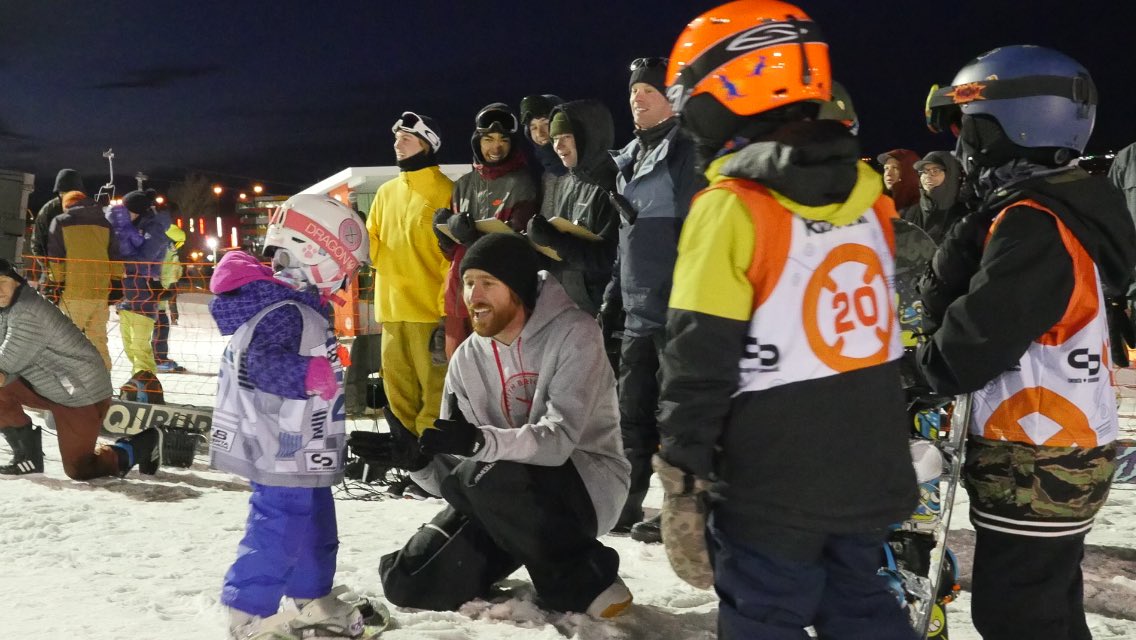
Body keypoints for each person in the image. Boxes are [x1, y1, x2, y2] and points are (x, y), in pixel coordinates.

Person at [655, 2, 919, 638]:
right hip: (869, 471)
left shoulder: (732, 208)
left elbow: (698, 355)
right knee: (862, 611)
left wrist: (682, 477)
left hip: (769, 484)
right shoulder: (868, 202)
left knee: (763, 617)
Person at [920, 44, 1136, 640]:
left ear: (1012, 127)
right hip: (1054, 448)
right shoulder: (1061, 208)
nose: (965, 145)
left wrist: (914, 371)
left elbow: (971, 345)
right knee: (1046, 612)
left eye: (971, 128)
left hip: (1038, 459)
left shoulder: (1036, 222)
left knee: (1017, 618)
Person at [376, 233, 632, 617]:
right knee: (408, 582)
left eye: (488, 283)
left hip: (587, 485)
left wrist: (480, 445)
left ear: (519, 288)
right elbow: (461, 475)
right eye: (467, 283)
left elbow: (558, 441)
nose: (473, 295)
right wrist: (420, 464)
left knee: (491, 472)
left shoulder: (576, 334)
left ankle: (588, 579)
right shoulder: (465, 360)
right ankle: (525, 553)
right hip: (498, 491)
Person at [210, 194, 373, 640]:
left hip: (305, 445)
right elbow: (259, 365)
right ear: (316, 252)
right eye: (348, 265)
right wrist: (308, 372)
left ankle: (310, 594)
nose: (351, 276)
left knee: (317, 522)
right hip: (279, 445)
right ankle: (248, 610)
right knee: (279, 525)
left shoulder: (300, 305)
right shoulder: (282, 310)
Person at [604, 56, 705, 542]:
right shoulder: (627, 157)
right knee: (631, 413)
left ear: (673, 99)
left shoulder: (687, 150)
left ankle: (680, 513)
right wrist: (613, 298)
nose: (636, 98)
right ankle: (626, 504)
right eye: (632, 92)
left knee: (677, 419)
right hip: (638, 311)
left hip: (676, 314)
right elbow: (628, 241)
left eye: (648, 90)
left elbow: (698, 236)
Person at [0, 259, 161, 478]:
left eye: (3, 281)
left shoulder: (27, 312)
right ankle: (27, 458)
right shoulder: (8, 307)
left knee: (80, 469)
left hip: (81, 394)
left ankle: (138, 446)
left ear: (16, 281)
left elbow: (6, 363)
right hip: (51, 384)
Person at [366, 111, 453, 498]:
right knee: (397, 395)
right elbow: (371, 249)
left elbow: (452, 258)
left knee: (433, 396)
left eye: (406, 138)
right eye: (397, 137)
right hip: (391, 313)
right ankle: (410, 467)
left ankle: (433, 473)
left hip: (429, 313)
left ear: (427, 143)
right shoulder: (386, 193)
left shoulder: (446, 191)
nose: (397, 144)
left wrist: (446, 311)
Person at [437, 103, 538, 356]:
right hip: (460, 297)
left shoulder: (521, 183)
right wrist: (446, 241)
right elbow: (451, 255)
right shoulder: (463, 185)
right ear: (477, 142)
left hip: (498, 297)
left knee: (499, 373)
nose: (496, 147)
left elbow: (519, 249)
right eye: (488, 139)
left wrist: (472, 240)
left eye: (503, 139)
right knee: (458, 377)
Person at [526, 99, 619, 316]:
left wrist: (556, 240)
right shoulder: (568, 181)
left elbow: (612, 258)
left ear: (589, 137)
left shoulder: (613, 184)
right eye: (555, 138)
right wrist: (537, 246)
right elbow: (561, 251)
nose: (558, 146)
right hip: (568, 305)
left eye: (567, 138)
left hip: (604, 309)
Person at [106, 189, 172, 403]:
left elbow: (144, 260)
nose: (125, 215)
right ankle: (139, 385)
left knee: (140, 348)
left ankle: (149, 391)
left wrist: (123, 260)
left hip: (145, 297)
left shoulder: (155, 230)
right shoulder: (128, 228)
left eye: (129, 212)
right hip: (126, 297)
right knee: (128, 347)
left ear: (139, 212)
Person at [46, 190, 118, 369]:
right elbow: (116, 256)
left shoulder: (61, 222)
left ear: (67, 205)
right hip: (100, 292)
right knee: (98, 340)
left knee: (64, 341)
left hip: (74, 291)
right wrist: (116, 282)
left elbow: (56, 257)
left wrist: (55, 283)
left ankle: (64, 388)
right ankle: (103, 384)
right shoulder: (105, 224)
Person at [30, 168, 84, 303]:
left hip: (79, 275)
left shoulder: (86, 210)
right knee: (50, 316)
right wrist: (49, 268)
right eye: (64, 192)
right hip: (53, 277)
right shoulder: (49, 211)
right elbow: (37, 243)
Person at [519, 94, 569, 217]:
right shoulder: (547, 175)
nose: (540, 133)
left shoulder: (582, 171)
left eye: (546, 124)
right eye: (533, 128)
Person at [908, 151, 968, 244]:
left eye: (935, 171)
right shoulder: (911, 213)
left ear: (951, 174)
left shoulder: (964, 215)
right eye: (924, 171)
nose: (928, 176)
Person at [154, 218, 187, 373]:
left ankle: (159, 357)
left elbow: (175, 272)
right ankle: (158, 359)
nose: (177, 246)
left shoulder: (169, 251)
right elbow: (163, 271)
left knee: (160, 326)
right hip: (154, 294)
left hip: (160, 294)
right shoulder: (162, 251)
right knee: (160, 327)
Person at [879, 148, 922, 217]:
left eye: (895, 168)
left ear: (910, 172)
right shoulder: (879, 203)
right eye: (886, 168)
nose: (888, 173)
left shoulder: (921, 210)